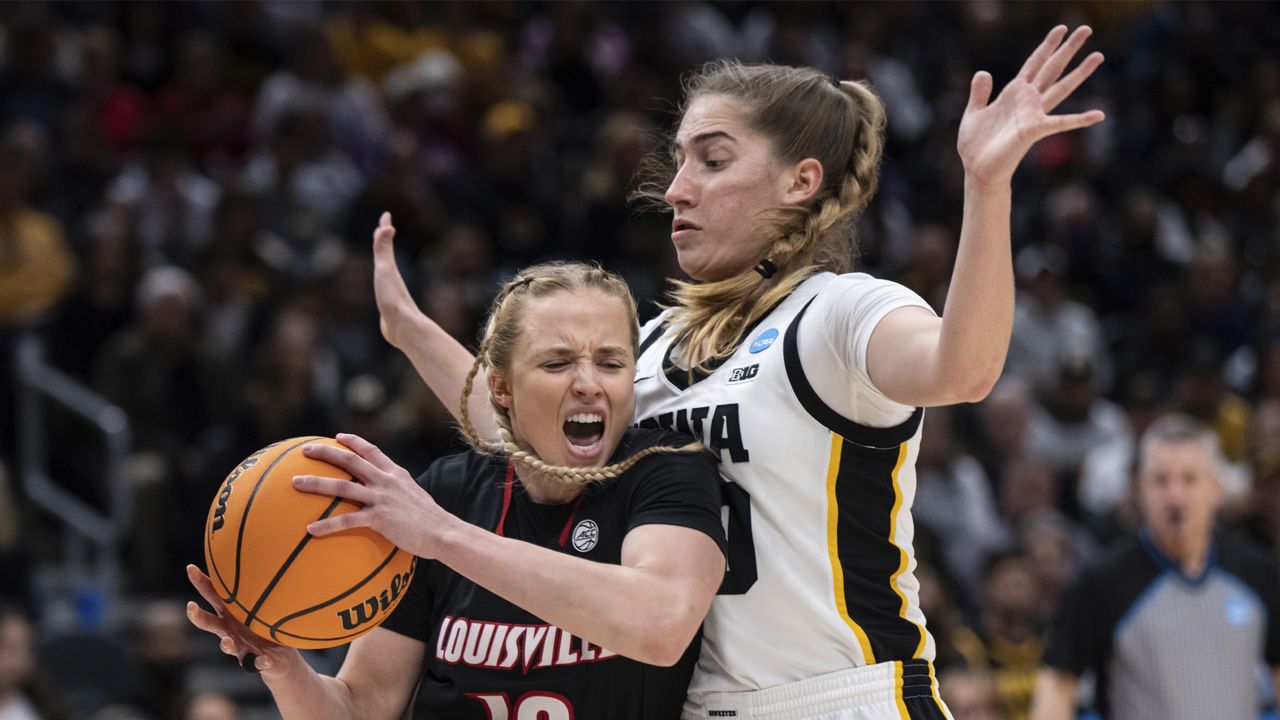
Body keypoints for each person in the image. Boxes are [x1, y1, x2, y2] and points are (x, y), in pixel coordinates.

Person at [373, 24, 1105, 719]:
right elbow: (526, 441)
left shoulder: (838, 313)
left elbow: (963, 370)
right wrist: (408, 330)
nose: (676, 189)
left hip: (839, 695)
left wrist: (986, 187)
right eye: (680, 160)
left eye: (712, 161)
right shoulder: (652, 345)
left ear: (799, 181)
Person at [186, 261, 727, 719]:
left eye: (611, 363)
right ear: (500, 387)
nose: (588, 382)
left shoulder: (666, 468)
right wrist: (283, 666)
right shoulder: (448, 492)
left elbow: (661, 621)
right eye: (557, 363)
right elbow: (362, 705)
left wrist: (443, 536)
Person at [1030, 414, 1280, 720]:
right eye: (1161, 480)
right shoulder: (1103, 582)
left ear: (1216, 488)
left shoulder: (1257, 573)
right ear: (1139, 488)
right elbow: (1058, 681)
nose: (1175, 496)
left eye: (1189, 479)